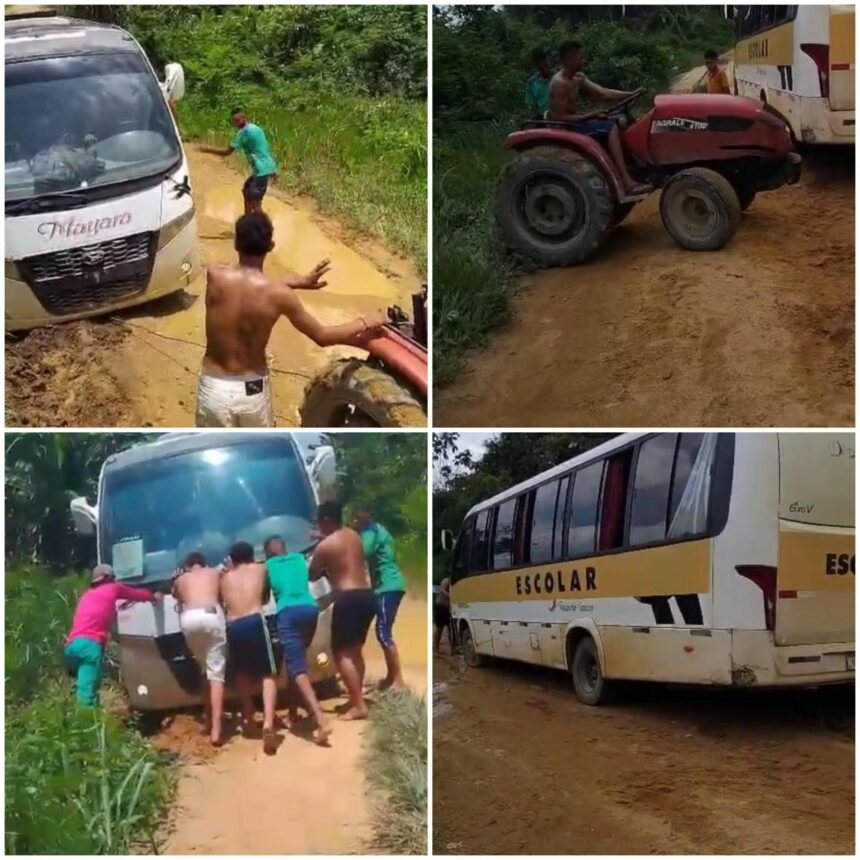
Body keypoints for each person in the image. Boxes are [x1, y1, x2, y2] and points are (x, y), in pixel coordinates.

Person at [195, 211, 386, 428]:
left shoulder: (215, 276)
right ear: (271, 246)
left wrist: (296, 282)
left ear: (236, 243)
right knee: (261, 453)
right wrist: (365, 322)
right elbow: (322, 336)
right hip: (252, 391)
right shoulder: (279, 296)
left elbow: (246, 284)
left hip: (213, 389)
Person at [548, 41, 649, 195]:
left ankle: (640, 168)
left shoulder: (578, 78)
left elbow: (603, 93)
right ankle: (626, 181)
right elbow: (560, 117)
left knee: (622, 120)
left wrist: (631, 94)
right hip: (567, 126)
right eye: (580, 57)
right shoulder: (559, 83)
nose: (583, 60)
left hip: (578, 120)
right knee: (610, 127)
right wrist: (590, 115)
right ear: (570, 59)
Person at [309, 501, 377, 720]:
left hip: (348, 599)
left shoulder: (324, 547)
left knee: (340, 655)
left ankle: (358, 705)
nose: (319, 526)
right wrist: (323, 539)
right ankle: (356, 699)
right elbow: (342, 551)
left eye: (320, 522)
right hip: (367, 596)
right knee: (355, 651)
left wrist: (320, 545)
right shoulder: (353, 536)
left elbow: (312, 574)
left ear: (326, 520)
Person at [264, 535, 331, 745]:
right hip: (310, 609)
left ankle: (320, 718)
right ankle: (293, 710)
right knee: (296, 661)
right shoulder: (299, 559)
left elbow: (264, 597)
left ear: (268, 553)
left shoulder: (268, 566)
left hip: (288, 613)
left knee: (297, 667)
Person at [64, 564, 160, 707]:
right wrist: (154, 597)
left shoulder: (86, 595)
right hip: (89, 646)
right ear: (109, 578)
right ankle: (86, 724)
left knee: (89, 685)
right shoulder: (113, 588)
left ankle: (91, 719)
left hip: (71, 647)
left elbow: (98, 613)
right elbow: (136, 594)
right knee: (86, 696)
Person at [220, 541, 279, 754]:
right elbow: (265, 597)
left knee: (242, 674)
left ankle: (248, 716)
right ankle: (269, 722)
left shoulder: (224, 578)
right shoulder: (261, 568)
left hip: (233, 624)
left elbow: (222, 602)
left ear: (232, 559)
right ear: (251, 556)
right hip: (255, 620)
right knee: (268, 674)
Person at [173, 553, 227, 746]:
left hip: (189, 618)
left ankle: (207, 718)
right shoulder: (214, 572)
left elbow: (176, 595)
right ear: (203, 564)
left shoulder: (181, 579)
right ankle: (217, 729)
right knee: (216, 674)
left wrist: (176, 579)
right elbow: (224, 588)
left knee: (205, 669)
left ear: (188, 566)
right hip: (211, 614)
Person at [353, 506, 408, 692]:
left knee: (383, 633)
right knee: (382, 631)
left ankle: (399, 681)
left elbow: (361, 553)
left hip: (387, 586)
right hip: (387, 585)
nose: (355, 522)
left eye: (357, 519)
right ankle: (391, 677)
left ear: (367, 517)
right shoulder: (379, 531)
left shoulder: (370, 531)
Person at [200, 109, 278, 215]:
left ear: (244, 118)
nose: (236, 123)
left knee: (255, 202)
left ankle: (264, 227)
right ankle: (248, 219)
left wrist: (207, 149)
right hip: (265, 167)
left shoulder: (243, 133)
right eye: (234, 121)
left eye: (238, 120)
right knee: (246, 191)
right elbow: (264, 148)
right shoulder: (256, 128)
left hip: (262, 170)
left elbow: (227, 152)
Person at [525, 49, 553, 119]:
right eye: (542, 68)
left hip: (558, 116)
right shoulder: (532, 82)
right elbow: (531, 104)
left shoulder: (557, 79)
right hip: (541, 117)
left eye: (547, 66)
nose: (545, 70)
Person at [433, 577, 453, 656]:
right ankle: (435, 648)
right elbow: (442, 590)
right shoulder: (446, 581)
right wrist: (450, 596)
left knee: (451, 629)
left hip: (449, 608)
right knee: (439, 629)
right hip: (441, 606)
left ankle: (453, 649)